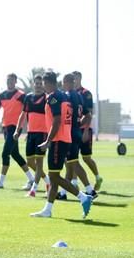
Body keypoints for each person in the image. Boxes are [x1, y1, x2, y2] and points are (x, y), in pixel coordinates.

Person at [30, 72, 93, 219]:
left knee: (54, 176)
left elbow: (57, 120)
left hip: (58, 140)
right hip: (65, 139)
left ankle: (83, 197)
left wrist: (48, 141)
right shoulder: (64, 96)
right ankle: (48, 209)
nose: (43, 87)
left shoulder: (54, 97)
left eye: (44, 84)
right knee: (54, 176)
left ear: (48, 83)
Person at [0, 73, 34, 190]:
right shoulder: (2, 94)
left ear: (16, 81)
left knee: (5, 153)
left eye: (12, 80)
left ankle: (0, 182)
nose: (9, 82)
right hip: (5, 127)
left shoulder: (21, 95)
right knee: (15, 154)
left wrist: (29, 128)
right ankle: (32, 179)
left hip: (15, 128)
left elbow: (27, 111)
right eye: (8, 80)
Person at [56, 73, 96, 200]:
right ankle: (63, 193)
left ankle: (90, 190)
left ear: (67, 82)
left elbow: (65, 115)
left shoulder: (67, 96)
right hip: (75, 132)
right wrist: (79, 124)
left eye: (63, 82)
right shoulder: (79, 96)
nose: (62, 85)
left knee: (73, 163)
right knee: (70, 164)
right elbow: (88, 115)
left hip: (70, 134)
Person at [13, 75, 50, 197]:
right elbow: (22, 115)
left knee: (39, 163)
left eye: (40, 84)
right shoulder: (28, 97)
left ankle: (33, 189)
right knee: (30, 162)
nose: (38, 86)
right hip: (30, 134)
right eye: (37, 83)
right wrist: (17, 131)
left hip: (42, 134)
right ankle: (48, 181)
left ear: (43, 85)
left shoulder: (47, 98)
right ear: (33, 84)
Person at [74, 70, 102, 190]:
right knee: (73, 158)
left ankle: (97, 177)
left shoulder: (86, 94)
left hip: (85, 130)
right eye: (72, 79)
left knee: (86, 158)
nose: (74, 81)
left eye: (76, 78)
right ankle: (74, 182)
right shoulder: (69, 94)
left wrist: (85, 131)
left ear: (80, 79)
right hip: (74, 130)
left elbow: (88, 113)